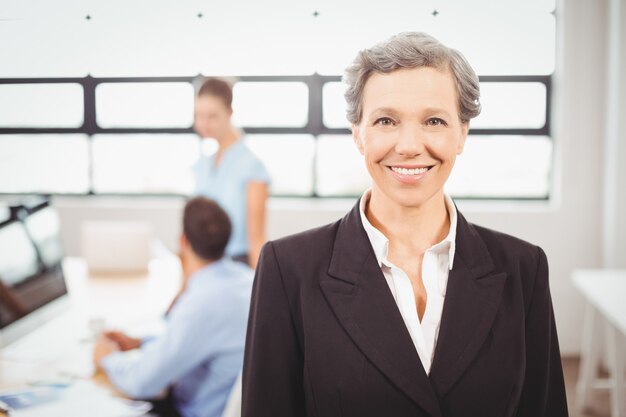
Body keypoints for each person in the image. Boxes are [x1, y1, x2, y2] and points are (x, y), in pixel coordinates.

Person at [242, 32, 568, 417]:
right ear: (358, 135)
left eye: (434, 120)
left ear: (462, 133)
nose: (410, 145)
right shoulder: (288, 268)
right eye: (385, 120)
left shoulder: (523, 268)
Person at [94, 197, 253, 417]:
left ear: (184, 242)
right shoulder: (249, 280)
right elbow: (201, 339)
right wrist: (141, 342)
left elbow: (141, 381)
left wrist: (107, 358)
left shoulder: (201, 304)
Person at [193, 78, 271, 269]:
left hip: (238, 266)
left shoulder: (253, 167)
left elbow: (256, 239)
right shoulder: (203, 165)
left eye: (212, 116)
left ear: (229, 113)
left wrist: (259, 290)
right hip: (204, 265)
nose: (204, 123)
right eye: (199, 115)